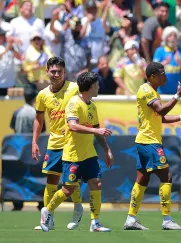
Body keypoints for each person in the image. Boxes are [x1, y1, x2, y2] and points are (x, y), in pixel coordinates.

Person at [123, 62, 181, 231]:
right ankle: (166, 220)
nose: (165, 76)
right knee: (167, 177)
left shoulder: (153, 92)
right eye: (162, 73)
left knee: (142, 179)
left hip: (146, 141)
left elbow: (160, 117)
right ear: (152, 76)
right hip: (149, 141)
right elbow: (161, 111)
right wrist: (177, 95)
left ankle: (130, 218)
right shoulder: (145, 90)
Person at [40, 71, 113, 233]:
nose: (99, 87)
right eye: (97, 85)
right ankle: (48, 210)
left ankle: (95, 223)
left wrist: (107, 150)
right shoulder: (74, 103)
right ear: (90, 87)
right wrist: (97, 131)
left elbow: (97, 130)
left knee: (97, 183)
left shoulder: (92, 106)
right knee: (68, 190)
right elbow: (73, 126)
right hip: (73, 155)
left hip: (89, 154)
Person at [31, 57, 83, 231]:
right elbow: (38, 119)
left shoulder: (75, 88)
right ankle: (48, 220)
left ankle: (77, 209)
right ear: (47, 72)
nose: (56, 74)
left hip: (72, 142)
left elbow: (87, 107)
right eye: (53, 71)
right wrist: (34, 142)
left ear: (64, 72)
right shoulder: (43, 95)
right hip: (54, 143)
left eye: (59, 71)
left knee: (71, 181)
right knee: (51, 180)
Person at [10, 87, 44, 211]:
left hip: (19, 147)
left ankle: (17, 202)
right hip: (34, 147)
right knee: (37, 173)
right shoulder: (36, 112)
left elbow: (13, 128)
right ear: (35, 98)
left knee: (19, 174)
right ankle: (40, 202)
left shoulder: (17, 111)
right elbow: (42, 130)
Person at [152, 26, 181, 94]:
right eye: (170, 35)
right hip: (161, 92)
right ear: (165, 38)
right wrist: (164, 63)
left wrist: (179, 61)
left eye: (175, 36)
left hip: (177, 93)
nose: (173, 38)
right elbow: (153, 70)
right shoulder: (159, 51)